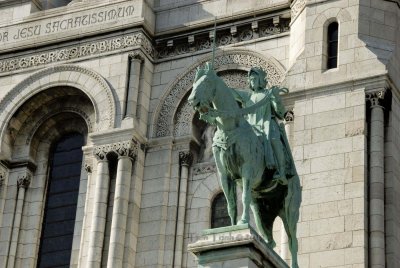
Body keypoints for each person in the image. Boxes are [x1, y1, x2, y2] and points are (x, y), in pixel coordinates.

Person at [232, 67, 294, 185]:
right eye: (250, 79)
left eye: (255, 78)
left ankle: (282, 172)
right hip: (252, 128)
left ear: (261, 80)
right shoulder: (247, 96)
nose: (252, 81)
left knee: (275, 140)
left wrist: (275, 98)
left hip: (268, 126)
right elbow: (232, 93)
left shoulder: (268, 94)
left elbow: (280, 113)